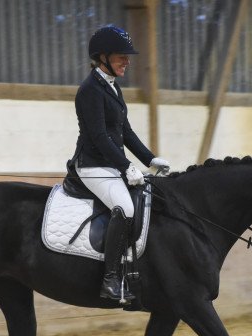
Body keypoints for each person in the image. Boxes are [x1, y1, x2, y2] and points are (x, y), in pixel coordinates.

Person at [71, 25, 170, 302]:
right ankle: (111, 278)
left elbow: (124, 132)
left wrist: (150, 159)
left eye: (127, 57)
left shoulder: (112, 87)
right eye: (120, 57)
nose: (127, 62)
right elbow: (100, 137)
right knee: (125, 208)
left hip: (110, 164)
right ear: (102, 57)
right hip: (91, 166)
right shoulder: (89, 90)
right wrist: (127, 167)